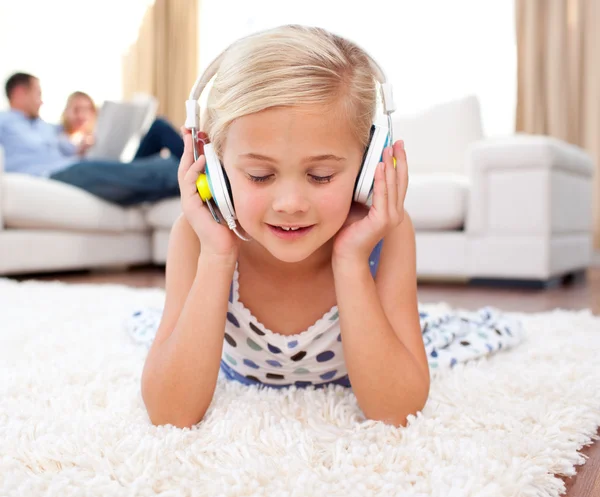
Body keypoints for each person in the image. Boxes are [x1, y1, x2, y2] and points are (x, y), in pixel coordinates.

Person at [125, 25, 524, 430]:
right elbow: (170, 413)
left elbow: (396, 410)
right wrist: (216, 256)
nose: (291, 204)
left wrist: (350, 261)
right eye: (260, 175)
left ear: (371, 165)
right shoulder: (197, 238)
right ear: (212, 166)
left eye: (320, 175)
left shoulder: (387, 235)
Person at [0, 73, 181, 205]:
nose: (41, 101)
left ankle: (189, 167)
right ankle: (193, 173)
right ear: (19, 92)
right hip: (58, 173)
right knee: (156, 170)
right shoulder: (5, 121)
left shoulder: (43, 126)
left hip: (77, 164)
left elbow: (66, 142)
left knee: (158, 126)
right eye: (37, 93)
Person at [60, 90, 184, 161]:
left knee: (158, 125)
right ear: (66, 111)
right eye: (76, 110)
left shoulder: (95, 133)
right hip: (106, 168)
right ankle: (192, 162)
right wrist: (78, 153)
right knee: (159, 127)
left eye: (87, 110)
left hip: (122, 159)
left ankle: (191, 156)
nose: (81, 115)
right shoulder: (59, 137)